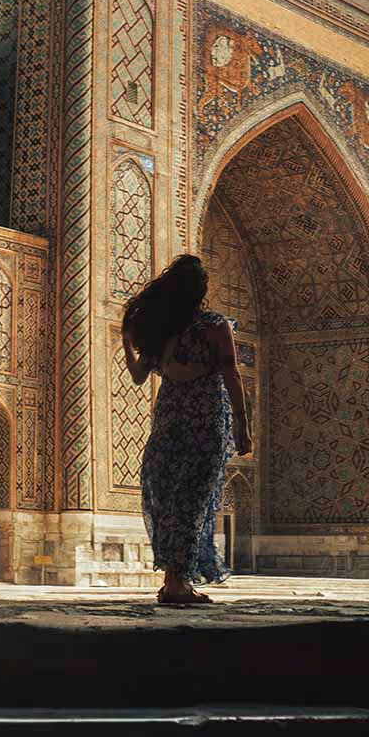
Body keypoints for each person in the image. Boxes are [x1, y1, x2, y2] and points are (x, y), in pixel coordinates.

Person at [121, 254, 253, 607]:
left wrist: (125, 342)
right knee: (192, 502)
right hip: (204, 422)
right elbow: (231, 375)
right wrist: (242, 424)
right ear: (201, 291)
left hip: (168, 422)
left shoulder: (163, 333)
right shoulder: (214, 325)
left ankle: (173, 581)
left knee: (168, 500)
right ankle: (178, 584)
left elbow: (137, 376)